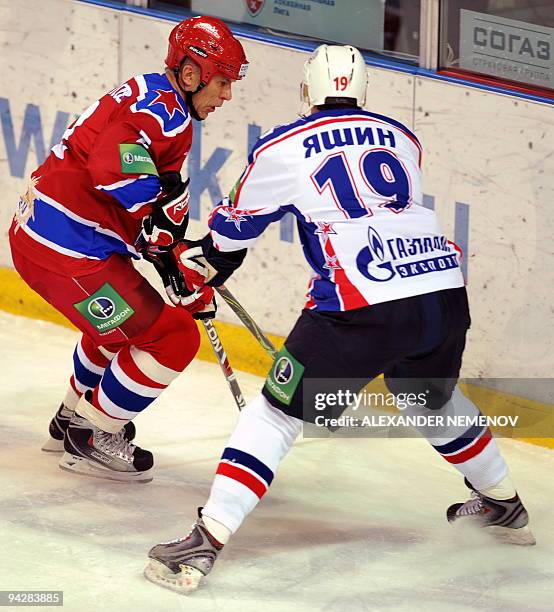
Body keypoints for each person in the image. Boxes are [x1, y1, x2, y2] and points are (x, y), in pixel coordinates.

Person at [143, 43, 535, 593]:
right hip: (442, 294)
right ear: (364, 91)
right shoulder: (404, 137)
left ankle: (205, 542)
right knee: (429, 397)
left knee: (278, 413)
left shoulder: (281, 144)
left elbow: (231, 236)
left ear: (307, 91)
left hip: (359, 306)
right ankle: (504, 505)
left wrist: (199, 262)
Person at [8, 16, 248, 482]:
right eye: (221, 82)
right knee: (175, 337)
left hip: (53, 236)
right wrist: (161, 238)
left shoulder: (154, 92)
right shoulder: (165, 114)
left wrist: (173, 258)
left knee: (123, 326)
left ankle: (70, 418)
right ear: (192, 72)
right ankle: (93, 436)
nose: (227, 95)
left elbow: (147, 207)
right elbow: (111, 167)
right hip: (66, 249)